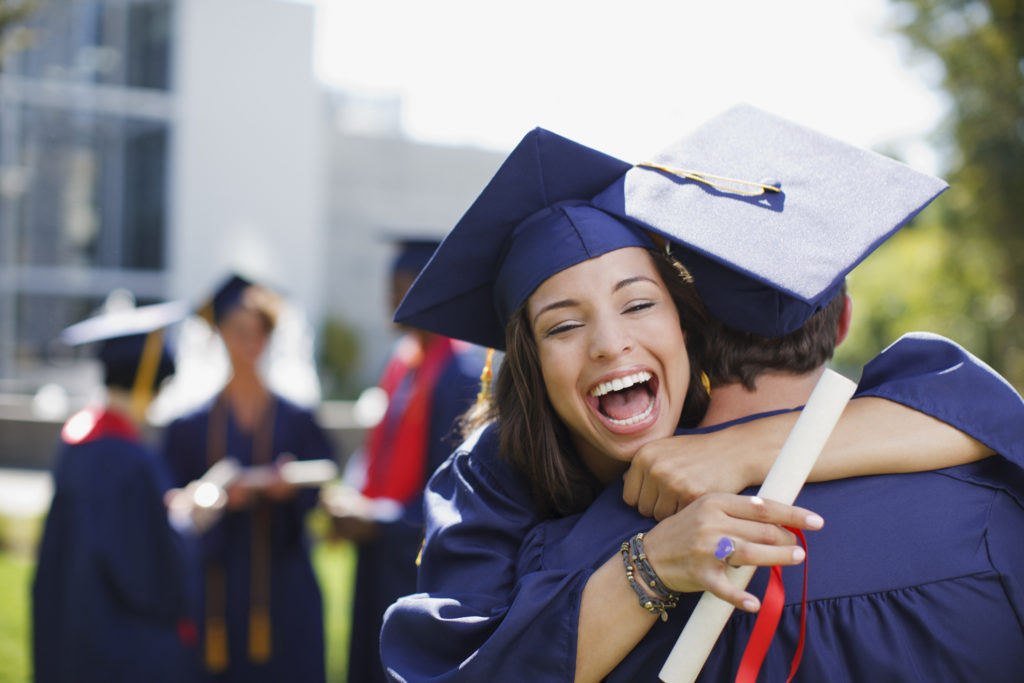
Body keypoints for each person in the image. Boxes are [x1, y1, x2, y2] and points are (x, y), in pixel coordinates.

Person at [380, 117, 1019, 681]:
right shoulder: (514, 504)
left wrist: (739, 451)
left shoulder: (564, 567)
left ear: (688, 330)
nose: (609, 343)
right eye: (563, 325)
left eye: (637, 303)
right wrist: (650, 566)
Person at [321, 238, 484, 683]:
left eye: (402, 284)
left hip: (417, 565)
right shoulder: (403, 364)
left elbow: (455, 494)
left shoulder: (460, 375)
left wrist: (378, 518)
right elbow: (378, 454)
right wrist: (353, 501)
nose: (390, 298)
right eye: (390, 284)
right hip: (380, 554)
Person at [162, 274, 334, 682]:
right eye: (239, 332)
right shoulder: (190, 425)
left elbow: (321, 480)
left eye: (259, 333)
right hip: (216, 579)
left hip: (283, 578)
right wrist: (208, 496)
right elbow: (169, 497)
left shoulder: (297, 418)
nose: (249, 343)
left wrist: (289, 489)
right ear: (219, 333)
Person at [33, 299, 199, 683]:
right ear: (147, 382)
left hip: (72, 624)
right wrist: (186, 524)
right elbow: (148, 566)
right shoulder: (127, 458)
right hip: (120, 642)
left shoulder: (79, 442)